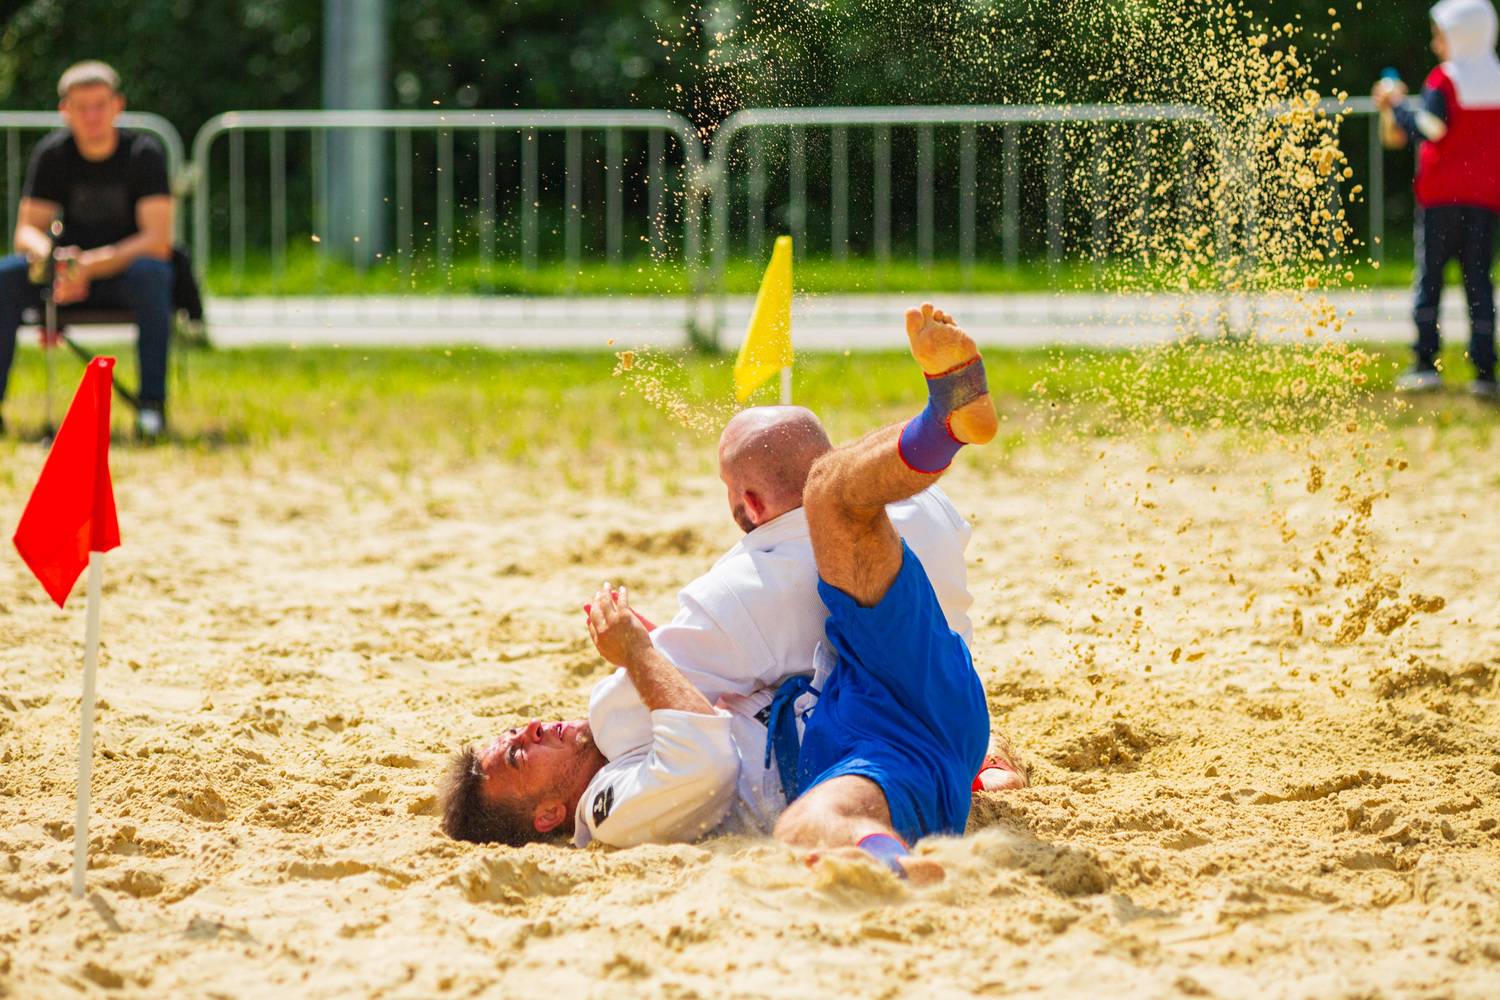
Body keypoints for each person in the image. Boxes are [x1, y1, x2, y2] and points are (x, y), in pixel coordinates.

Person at [442, 304, 1020, 882]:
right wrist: (637, 654)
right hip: (871, 758)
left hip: (874, 679)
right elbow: (705, 761)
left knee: (827, 492)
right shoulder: (606, 807)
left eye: (518, 730)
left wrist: (654, 654)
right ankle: (895, 874)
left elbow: (717, 678)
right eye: (519, 755)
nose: (533, 729)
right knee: (806, 825)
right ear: (548, 815)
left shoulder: (628, 729)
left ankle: (945, 419)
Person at [0, 61, 175, 437]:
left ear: (117, 105)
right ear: (65, 110)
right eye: (82, 107)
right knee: (6, 275)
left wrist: (89, 266)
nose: (92, 116)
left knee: (153, 274)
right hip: (62, 274)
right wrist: (54, 260)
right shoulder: (52, 155)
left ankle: (152, 406)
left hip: (123, 273)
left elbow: (157, 240)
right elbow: (27, 231)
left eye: (100, 105)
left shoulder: (143, 154)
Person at [1373, 0, 1500, 399]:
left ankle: (1425, 362)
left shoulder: (1445, 79)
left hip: (1441, 198)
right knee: (1479, 283)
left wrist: (1397, 105)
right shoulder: (1496, 77)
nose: (1434, 44)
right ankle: (1485, 369)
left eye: (1439, 36)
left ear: (1458, 35)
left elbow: (1430, 128)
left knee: (1430, 279)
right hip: (1485, 199)